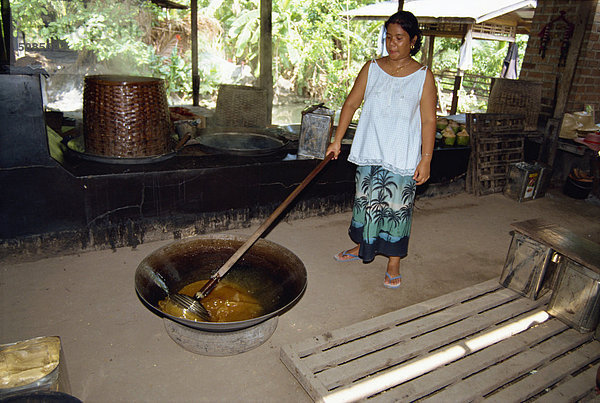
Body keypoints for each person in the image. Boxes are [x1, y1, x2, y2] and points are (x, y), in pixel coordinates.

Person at [326, 10, 437, 289]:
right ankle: (363, 248)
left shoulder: (423, 76)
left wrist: (426, 159)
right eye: (388, 37)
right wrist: (337, 139)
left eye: (399, 38)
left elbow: (428, 120)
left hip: (402, 155)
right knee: (366, 203)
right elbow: (350, 104)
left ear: (413, 40)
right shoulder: (371, 68)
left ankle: (393, 261)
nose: (392, 43)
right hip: (371, 149)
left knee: (398, 209)